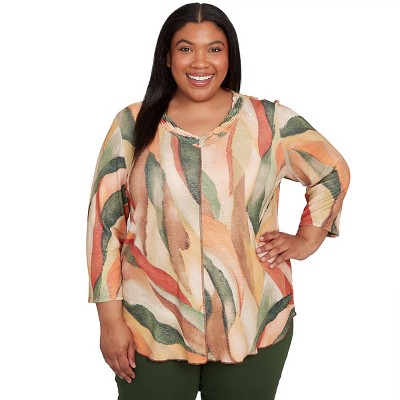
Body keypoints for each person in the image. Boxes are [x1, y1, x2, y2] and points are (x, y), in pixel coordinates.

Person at [86, 3, 350, 399]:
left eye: (214, 49)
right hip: (152, 324)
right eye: (185, 48)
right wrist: (109, 321)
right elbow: (105, 226)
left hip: (253, 323)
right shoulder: (132, 125)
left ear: (229, 56)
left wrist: (307, 239)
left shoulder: (269, 121)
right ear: (167, 57)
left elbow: (331, 169)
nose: (200, 61)